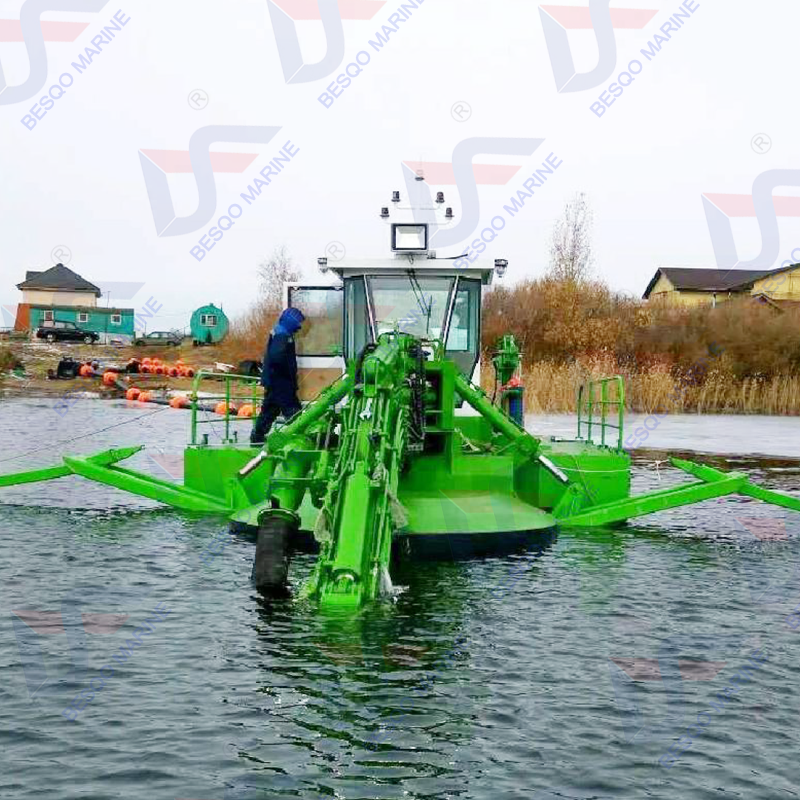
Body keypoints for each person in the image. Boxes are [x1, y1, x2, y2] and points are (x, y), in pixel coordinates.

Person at [250, 307, 305, 444]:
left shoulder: (280, 331)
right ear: (292, 321)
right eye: (298, 323)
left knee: (270, 410)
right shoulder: (283, 335)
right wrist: (287, 374)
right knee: (292, 411)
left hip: (275, 380)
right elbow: (277, 357)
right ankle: (301, 435)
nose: (299, 326)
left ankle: (257, 438)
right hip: (281, 381)